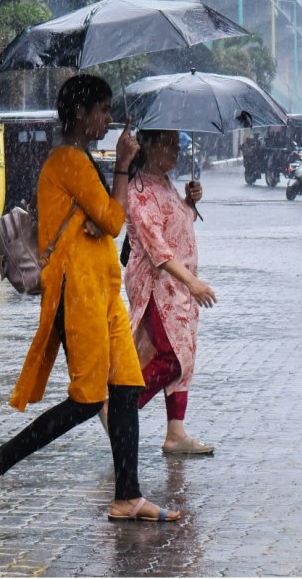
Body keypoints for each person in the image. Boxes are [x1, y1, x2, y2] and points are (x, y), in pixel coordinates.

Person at [0, 74, 181, 523]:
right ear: (79, 115)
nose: (106, 118)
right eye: (100, 110)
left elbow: (101, 219)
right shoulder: (68, 159)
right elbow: (113, 219)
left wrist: (99, 213)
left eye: (107, 109)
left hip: (104, 292)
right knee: (87, 399)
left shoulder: (80, 160)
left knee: (126, 386)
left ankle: (128, 496)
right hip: (78, 295)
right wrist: (123, 166)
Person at [124, 130, 217, 454]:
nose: (177, 152)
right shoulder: (139, 189)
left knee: (185, 354)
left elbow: (178, 224)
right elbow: (156, 247)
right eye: (171, 145)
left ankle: (175, 432)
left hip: (179, 284)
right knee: (171, 356)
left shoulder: (162, 181)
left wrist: (189, 203)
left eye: (179, 145)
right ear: (149, 146)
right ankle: (121, 406)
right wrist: (191, 283)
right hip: (158, 283)